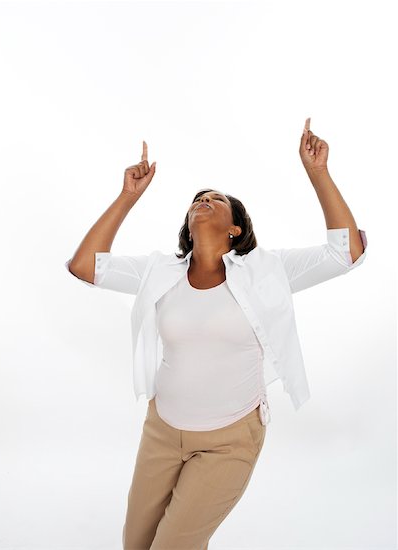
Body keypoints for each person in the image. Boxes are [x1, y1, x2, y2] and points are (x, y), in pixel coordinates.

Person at [65, 118, 368, 549]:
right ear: (188, 226)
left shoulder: (267, 271)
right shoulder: (159, 271)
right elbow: (85, 266)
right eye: (197, 200)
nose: (203, 201)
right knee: (135, 544)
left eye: (216, 199)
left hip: (229, 440)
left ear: (236, 229)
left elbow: (346, 254)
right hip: (162, 431)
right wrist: (127, 197)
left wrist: (318, 173)